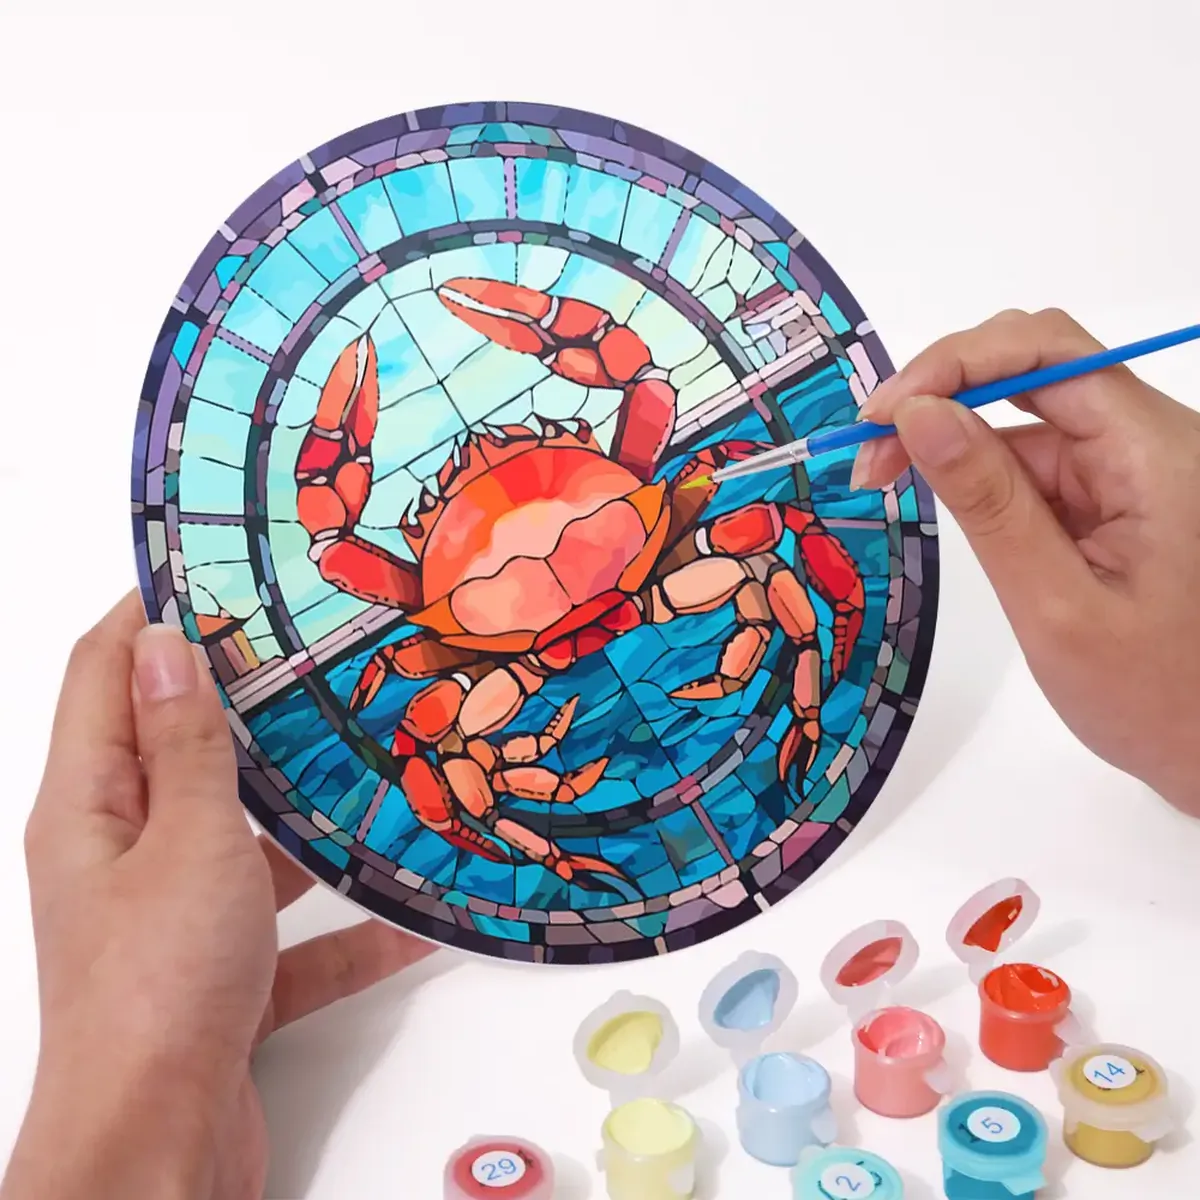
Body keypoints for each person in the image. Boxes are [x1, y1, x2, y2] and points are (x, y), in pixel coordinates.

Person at [3, 308, 1198, 1199]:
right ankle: (748, 730)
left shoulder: (436, 599)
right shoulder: (622, 481)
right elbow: (642, 387)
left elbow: (345, 555)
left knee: (470, 732)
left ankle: (578, 823)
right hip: (631, 602)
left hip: (533, 654)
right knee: (761, 584)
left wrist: (137, 1098)